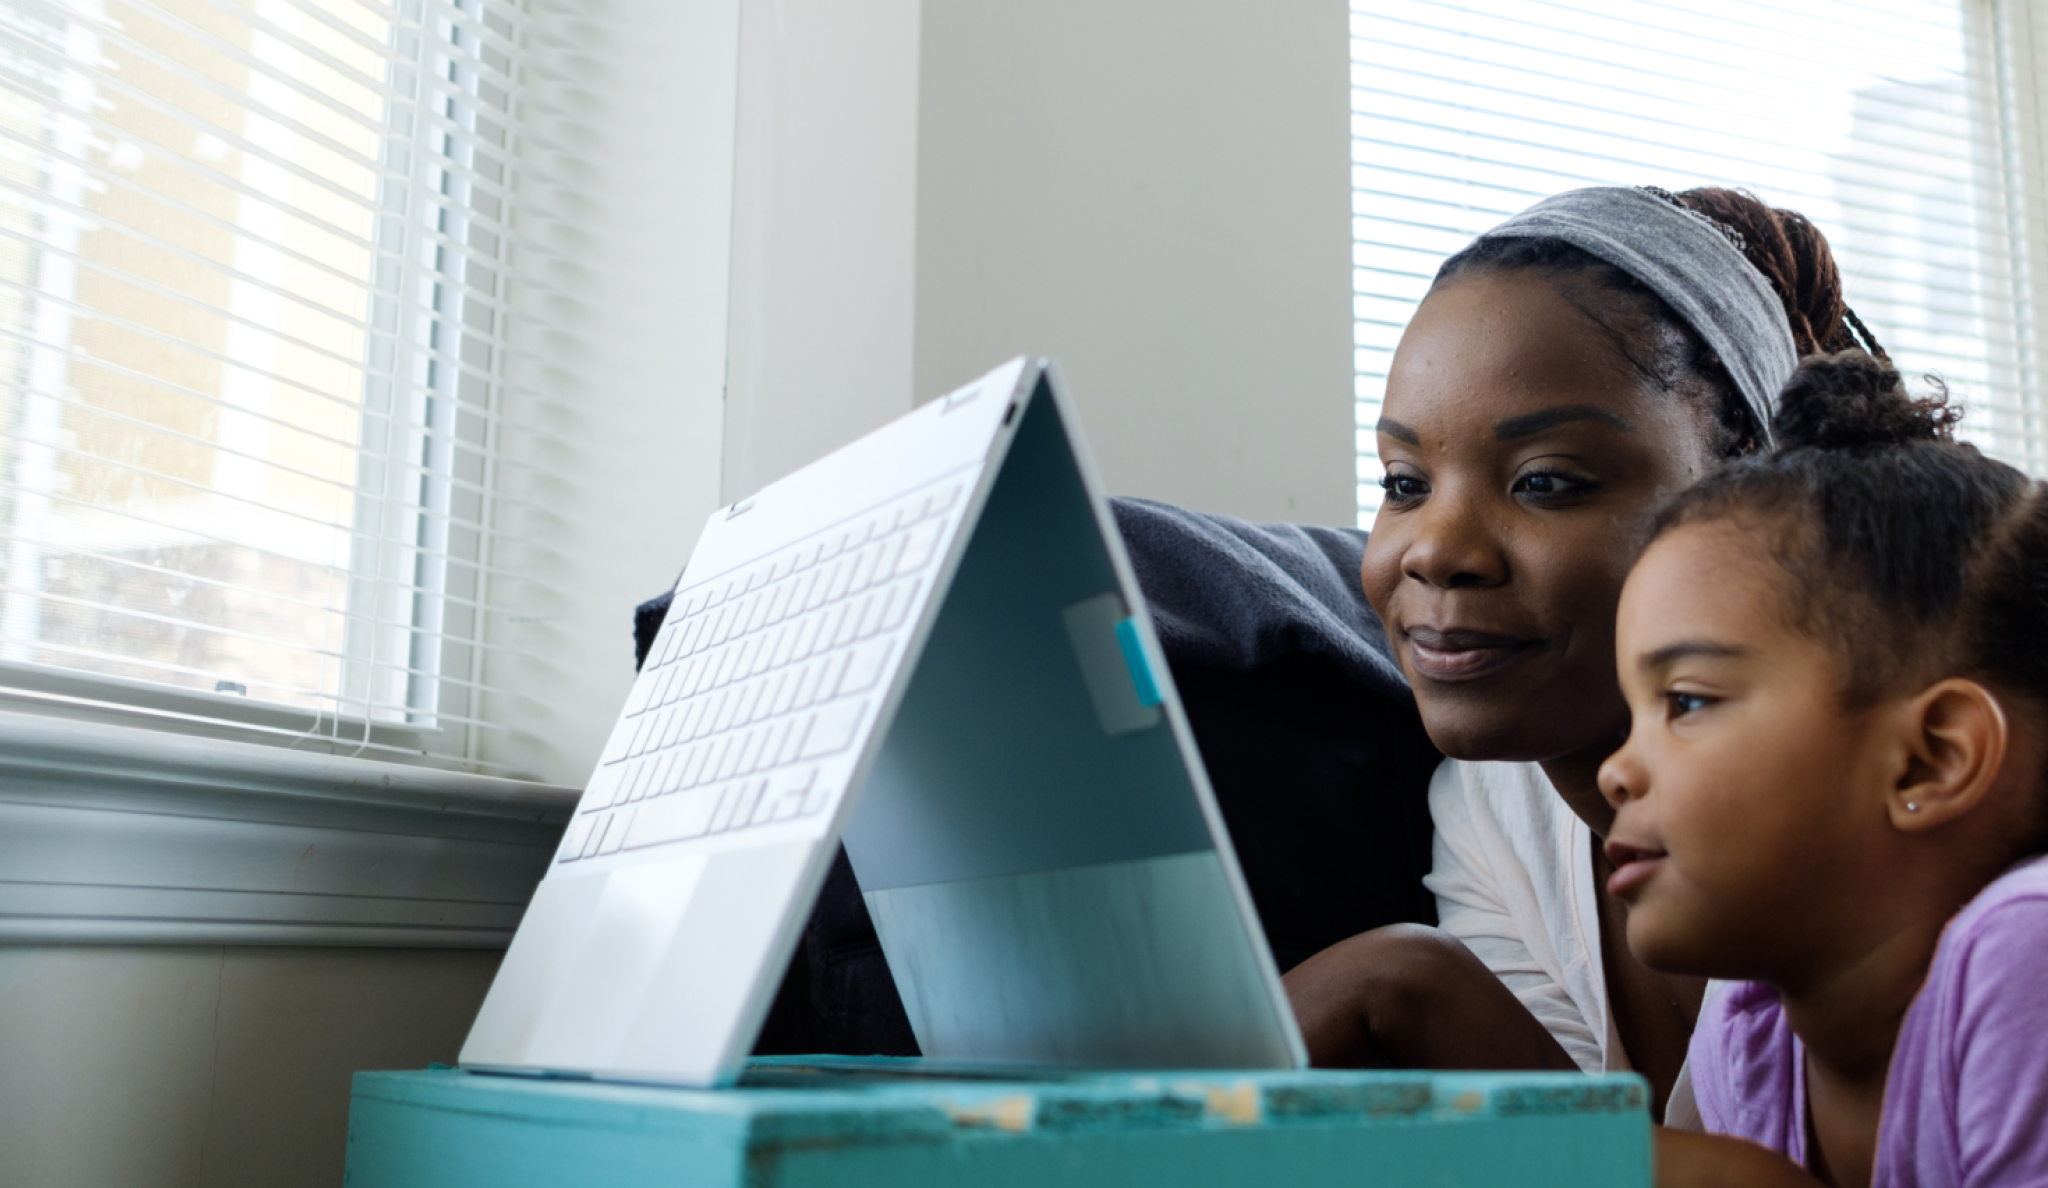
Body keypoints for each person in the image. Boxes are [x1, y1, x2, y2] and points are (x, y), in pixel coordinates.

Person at [1281, 184, 1887, 1119]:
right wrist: (1410, 980)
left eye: (1546, 482)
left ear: (1750, 493)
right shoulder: (1496, 806)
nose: (1436, 549)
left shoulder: (1863, 812)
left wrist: (1403, 985)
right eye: (1405, 481)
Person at [1600, 351, 2048, 1187]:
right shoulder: (1751, 1029)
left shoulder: (2029, 949)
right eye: (1632, 714)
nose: (1615, 773)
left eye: (1687, 702)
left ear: (1929, 760)